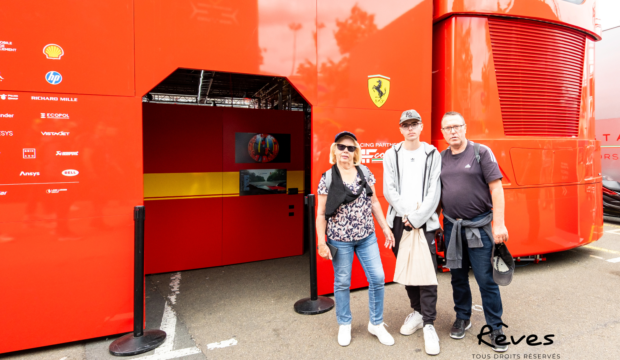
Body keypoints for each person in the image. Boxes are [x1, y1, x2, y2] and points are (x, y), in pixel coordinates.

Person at [316, 131, 396, 347]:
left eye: (351, 148)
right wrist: (321, 241)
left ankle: (376, 324)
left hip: (366, 237)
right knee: (342, 282)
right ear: (335, 149)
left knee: (378, 278)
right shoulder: (328, 177)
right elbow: (321, 213)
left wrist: (385, 227)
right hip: (339, 240)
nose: (346, 151)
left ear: (356, 152)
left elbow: (375, 203)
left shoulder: (365, 172)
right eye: (342, 147)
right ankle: (344, 324)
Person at [439, 111, 509, 352]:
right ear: (443, 132)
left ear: (465, 127)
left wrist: (498, 224)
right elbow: (438, 193)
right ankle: (462, 317)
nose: (453, 131)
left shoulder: (481, 152)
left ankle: (496, 327)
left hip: (478, 227)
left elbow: (497, 189)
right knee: (457, 277)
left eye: (456, 126)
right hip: (452, 227)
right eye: (448, 128)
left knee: (485, 279)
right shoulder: (441, 158)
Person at [383, 109, 442, 356]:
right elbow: (389, 190)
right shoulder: (391, 154)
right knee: (408, 269)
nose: (410, 129)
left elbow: (434, 191)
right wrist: (406, 215)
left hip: (424, 221)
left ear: (421, 127)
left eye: (414, 124)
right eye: (405, 125)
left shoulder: (431, 153)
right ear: (400, 129)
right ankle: (417, 312)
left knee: (426, 271)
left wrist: (416, 218)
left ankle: (429, 324)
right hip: (399, 220)